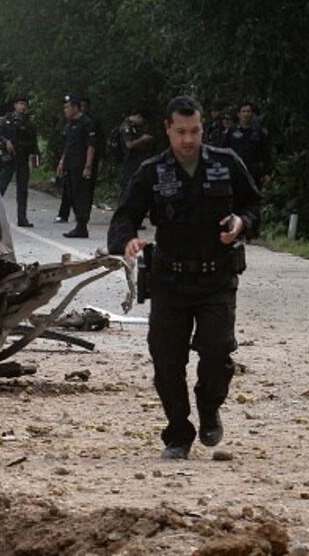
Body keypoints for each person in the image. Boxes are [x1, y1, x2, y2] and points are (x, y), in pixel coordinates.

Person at [108, 95, 261, 460]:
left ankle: (209, 408)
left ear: (202, 128)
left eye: (194, 131)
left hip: (216, 279)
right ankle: (178, 431)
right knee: (166, 361)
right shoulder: (152, 170)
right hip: (170, 280)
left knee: (217, 352)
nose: (188, 139)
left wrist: (242, 223)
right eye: (181, 132)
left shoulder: (226, 163)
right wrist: (127, 241)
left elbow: (253, 205)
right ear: (168, 129)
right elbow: (124, 215)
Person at [56, 94, 98, 238]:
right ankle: (79, 224)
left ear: (75, 107)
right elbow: (68, 145)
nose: (65, 110)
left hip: (81, 165)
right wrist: (62, 161)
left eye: (67, 107)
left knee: (82, 195)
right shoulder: (69, 124)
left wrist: (88, 165)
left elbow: (91, 145)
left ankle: (82, 226)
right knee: (71, 194)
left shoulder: (87, 123)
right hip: (70, 164)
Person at [0, 95, 39, 227]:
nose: (23, 107)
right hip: (8, 158)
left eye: (25, 104)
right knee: (1, 187)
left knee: (22, 190)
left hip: (22, 157)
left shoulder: (29, 123)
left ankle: (22, 218)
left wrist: (34, 156)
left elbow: (33, 142)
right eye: (20, 104)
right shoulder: (7, 120)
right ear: (15, 105)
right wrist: (5, 141)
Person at [224, 102, 272, 188]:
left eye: (248, 111)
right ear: (239, 114)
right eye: (244, 111)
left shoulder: (258, 132)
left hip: (254, 172)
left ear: (252, 114)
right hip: (236, 172)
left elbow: (266, 153)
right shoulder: (231, 131)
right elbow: (224, 150)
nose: (246, 114)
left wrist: (267, 173)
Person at [117, 108, 155, 195]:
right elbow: (129, 145)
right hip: (129, 159)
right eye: (142, 120)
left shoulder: (134, 127)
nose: (142, 123)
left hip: (136, 159)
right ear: (138, 116)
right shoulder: (126, 127)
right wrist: (142, 139)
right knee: (128, 183)